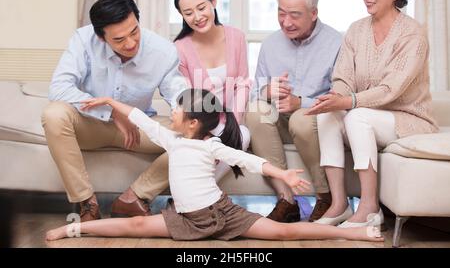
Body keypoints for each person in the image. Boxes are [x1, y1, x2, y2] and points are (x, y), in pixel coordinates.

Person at [46, 89, 383, 243]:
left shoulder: (212, 146)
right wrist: (108, 102)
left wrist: (281, 173)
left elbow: (248, 160)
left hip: (222, 216)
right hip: (185, 220)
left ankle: (352, 234)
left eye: (178, 111)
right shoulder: (171, 140)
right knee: (134, 227)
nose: (172, 113)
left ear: (192, 123)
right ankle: (74, 229)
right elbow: (136, 117)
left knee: (283, 232)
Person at [305, 0, 438, 228]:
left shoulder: (412, 34)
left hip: (406, 119)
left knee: (356, 116)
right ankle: (339, 205)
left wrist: (348, 101)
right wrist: (335, 98)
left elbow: (391, 89)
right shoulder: (356, 30)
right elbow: (343, 77)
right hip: (368, 115)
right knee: (326, 116)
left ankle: (369, 208)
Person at [41, 0, 187, 222]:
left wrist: (193, 113)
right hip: (92, 125)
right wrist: (112, 111)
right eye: (119, 40)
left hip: (138, 128)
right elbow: (59, 88)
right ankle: (87, 203)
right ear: (101, 37)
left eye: (134, 32)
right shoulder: (83, 40)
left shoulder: (163, 50)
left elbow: (179, 96)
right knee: (54, 114)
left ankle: (133, 197)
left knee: (196, 138)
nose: (130, 44)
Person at [246, 0, 342, 223]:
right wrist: (267, 90)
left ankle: (325, 197)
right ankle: (286, 200)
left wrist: (302, 103)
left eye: (295, 15)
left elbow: (341, 96)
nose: (286, 22)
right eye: (281, 13)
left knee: (300, 118)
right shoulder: (270, 44)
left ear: (313, 13)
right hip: (279, 121)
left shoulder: (337, 43)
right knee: (256, 110)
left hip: (316, 125)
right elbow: (255, 90)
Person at [174, 0, 251, 181]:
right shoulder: (181, 47)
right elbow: (187, 95)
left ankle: (199, 196)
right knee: (201, 147)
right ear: (182, 15)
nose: (197, 17)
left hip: (230, 121)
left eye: (201, 8)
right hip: (199, 122)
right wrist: (203, 131)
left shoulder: (236, 37)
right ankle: (197, 198)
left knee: (242, 135)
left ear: (213, 1)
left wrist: (232, 125)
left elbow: (243, 83)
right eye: (188, 13)